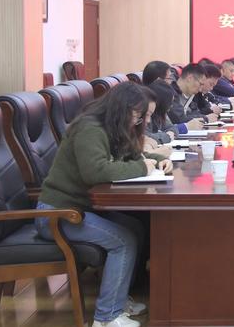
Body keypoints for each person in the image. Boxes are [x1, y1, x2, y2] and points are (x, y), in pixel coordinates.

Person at [35, 83, 174, 327]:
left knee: (136, 227)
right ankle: (106, 317)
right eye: (138, 115)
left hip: (80, 208)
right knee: (123, 240)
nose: (141, 121)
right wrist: (142, 168)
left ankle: (119, 298)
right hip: (58, 213)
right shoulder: (90, 128)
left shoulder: (113, 127)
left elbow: (134, 157)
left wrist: (158, 160)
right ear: (121, 108)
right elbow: (95, 171)